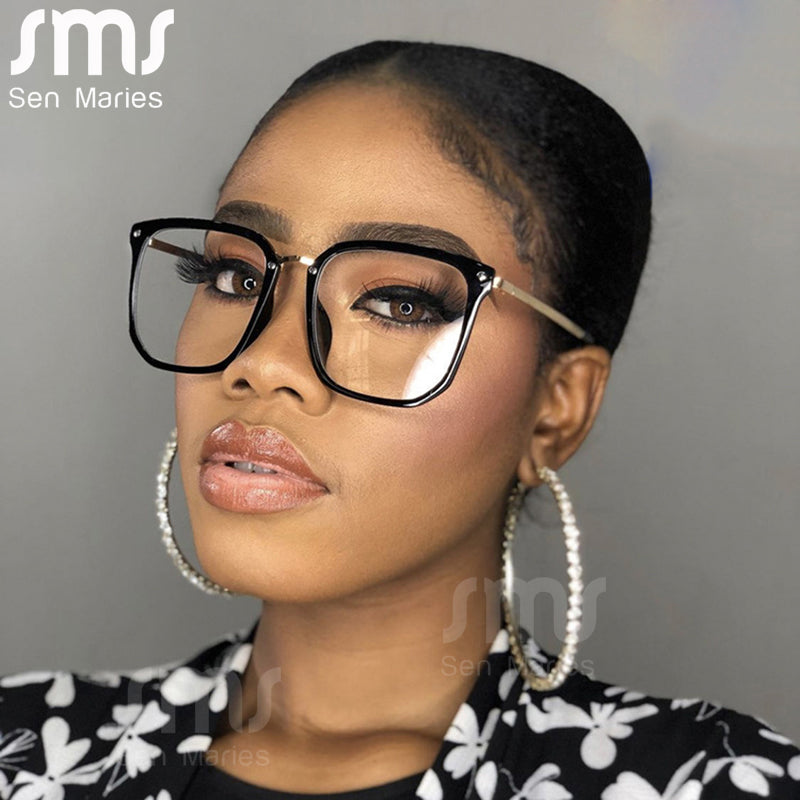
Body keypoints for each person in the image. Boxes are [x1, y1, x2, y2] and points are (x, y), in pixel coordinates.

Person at [1, 40, 798, 800]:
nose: (265, 362)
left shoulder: (710, 783)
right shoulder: (24, 754)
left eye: (399, 303)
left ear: (556, 410)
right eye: (236, 276)